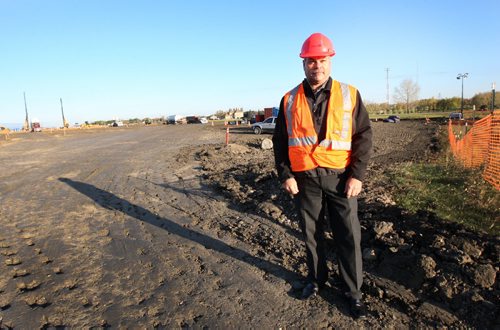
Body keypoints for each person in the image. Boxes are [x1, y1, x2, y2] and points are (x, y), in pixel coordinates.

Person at [272, 32, 372, 319]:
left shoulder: (349, 94)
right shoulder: (289, 99)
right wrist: (285, 175)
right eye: (312, 61)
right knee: (311, 235)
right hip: (304, 181)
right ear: (304, 64)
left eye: (323, 60)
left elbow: (364, 136)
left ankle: (353, 293)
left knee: (348, 237)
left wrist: (358, 175)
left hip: (341, 179)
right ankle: (316, 280)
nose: (318, 66)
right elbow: (280, 141)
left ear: (331, 61)